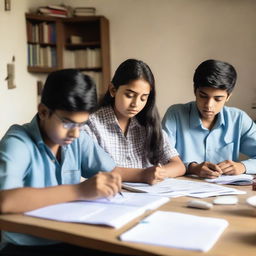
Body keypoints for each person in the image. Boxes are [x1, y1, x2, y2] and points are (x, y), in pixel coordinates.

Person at [0, 69, 122, 255]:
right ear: (43, 111)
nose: (76, 133)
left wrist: (141, 175)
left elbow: (111, 170)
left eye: (82, 124)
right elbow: (6, 201)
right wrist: (80, 190)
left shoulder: (76, 138)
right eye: (68, 123)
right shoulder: (18, 141)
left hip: (69, 236)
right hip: (26, 245)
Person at [84, 59, 185, 185]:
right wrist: (142, 175)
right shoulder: (92, 125)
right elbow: (96, 170)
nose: (136, 104)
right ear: (113, 90)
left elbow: (179, 166)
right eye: (130, 95)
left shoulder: (148, 124)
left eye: (143, 98)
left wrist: (159, 172)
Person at [162, 59, 256, 179]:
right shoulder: (175, 114)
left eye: (218, 99)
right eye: (203, 96)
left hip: (226, 193)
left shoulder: (239, 119)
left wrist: (242, 167)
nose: (209, 105)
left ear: (228, 97)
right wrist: (192, 168)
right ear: (195, 91)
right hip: (182, 193)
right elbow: (160, 159)